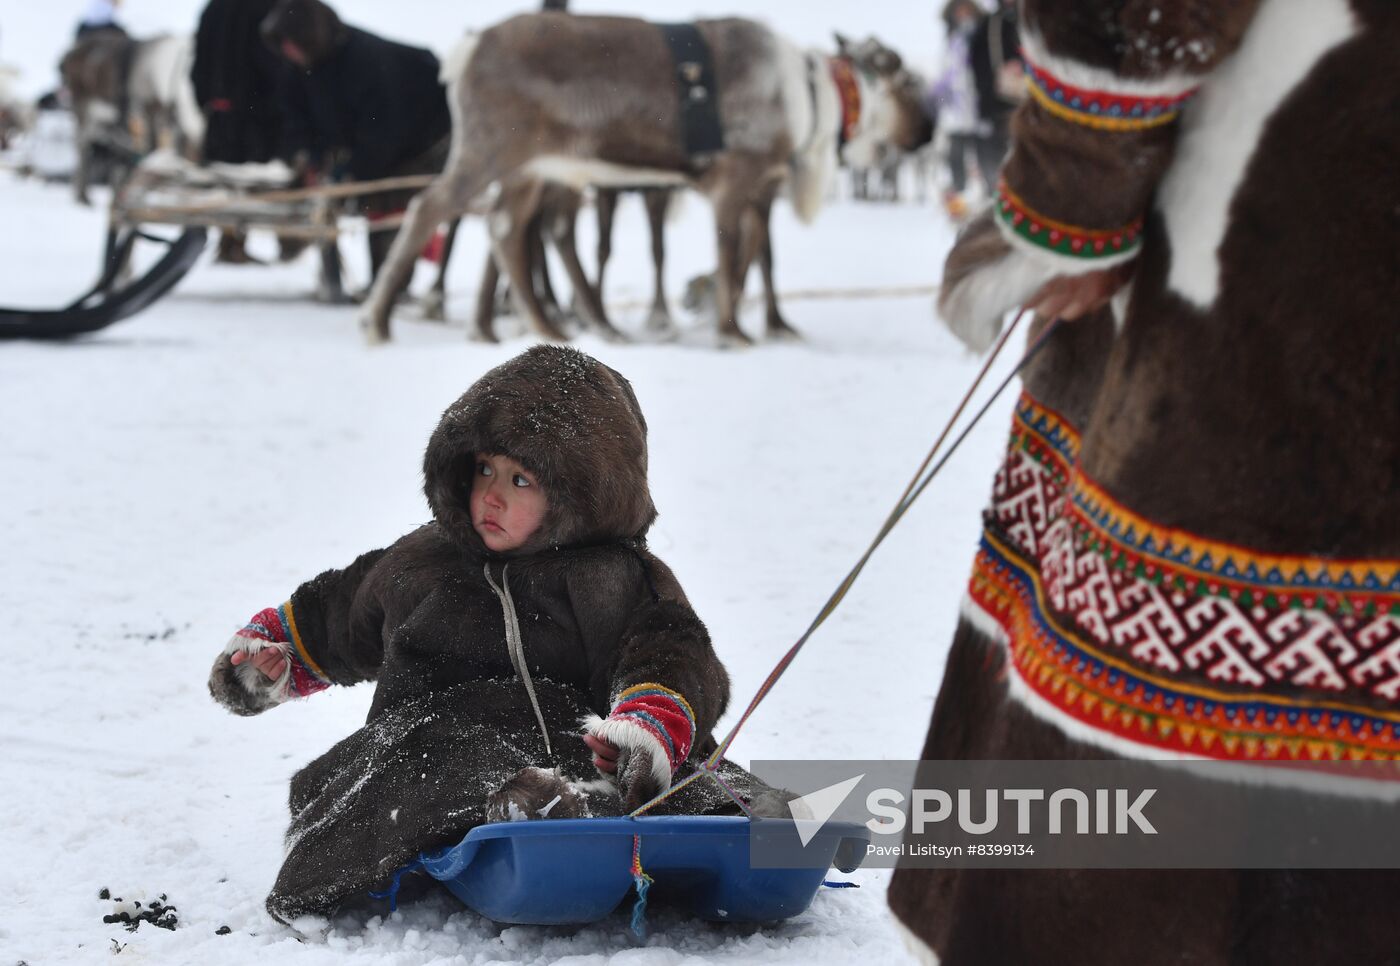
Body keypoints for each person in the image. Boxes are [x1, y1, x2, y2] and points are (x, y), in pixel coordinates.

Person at [207, 346, 783, 922]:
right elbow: (338, 613)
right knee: (434, 762)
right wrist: (273, 658)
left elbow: (670, 649)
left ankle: (760, 827)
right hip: (438, 740)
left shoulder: (616, 578)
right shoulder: (423, 563)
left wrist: (647, 722)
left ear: (580, 492)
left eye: (521, 479)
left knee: (691, 776)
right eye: (484, 469)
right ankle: (533, 819)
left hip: (577, 744)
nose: (492, 495)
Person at [258, 0, 452, 283]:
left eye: (292, 43)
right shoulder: (299, 67)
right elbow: (296, 117)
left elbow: (383, 131)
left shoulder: (366, 61)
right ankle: (381, 280)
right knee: (369, 201)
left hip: (423, 134)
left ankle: (391, 283)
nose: (287, 51)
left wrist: (351, 172)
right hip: (379, 140)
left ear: (309, 38)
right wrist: (310, 157)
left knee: (389, 205)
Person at [929, 0, 983, 220]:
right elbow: (944, 77)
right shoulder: (951, 41)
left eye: (966, 10)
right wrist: (940, 100)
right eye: (958, 10)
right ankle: (959, 202)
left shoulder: (979, 37)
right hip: (955, 116)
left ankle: (981, 202)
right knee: (956, 160)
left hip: (979, 113)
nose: (962, 14)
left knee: (981, 160)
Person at [965, 0, 1021, 193]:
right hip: (994, 107)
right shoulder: (988, 25)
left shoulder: (1030, 20)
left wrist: (1023, 68)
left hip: (1027, 105)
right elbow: (976, 64)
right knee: (994, 163)